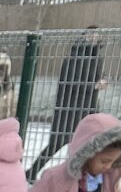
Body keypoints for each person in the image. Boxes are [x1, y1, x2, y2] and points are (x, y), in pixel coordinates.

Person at [28, 28, 105, 181]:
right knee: (57, 143)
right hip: (68, 107)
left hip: (88, 108)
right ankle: (32, 172)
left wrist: (101, 83)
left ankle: (78, 176)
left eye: (97, 36)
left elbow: (95, 78)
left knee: (84, 144)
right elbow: (71, 82)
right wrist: (94, 86)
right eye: (90, 35)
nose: (93, 38)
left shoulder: (96, 58)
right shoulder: (74, 58)